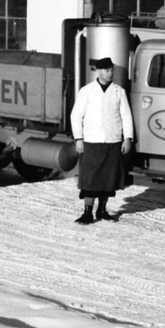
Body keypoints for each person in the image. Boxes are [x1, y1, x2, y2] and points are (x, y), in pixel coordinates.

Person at [69, 56, 133, 224]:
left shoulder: (119, 91)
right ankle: (87, 212)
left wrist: (127, 138)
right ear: (98, 71)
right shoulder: (87, 91)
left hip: (113, 141)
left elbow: (126, 116)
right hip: (92, 141)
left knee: (109, 178)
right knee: (90, 179)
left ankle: (102, 210)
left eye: (112, 70)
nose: (110, 73)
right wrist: (78, 139)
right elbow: (76, 116)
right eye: (107, 70)